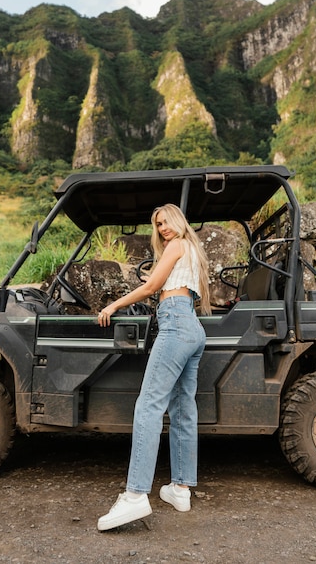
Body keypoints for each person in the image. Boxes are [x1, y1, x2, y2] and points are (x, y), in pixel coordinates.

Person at [96, 203, 211, 531]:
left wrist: (114, 304)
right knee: (183, 410)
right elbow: (166, 283)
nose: (162, 228)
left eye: (165, 221)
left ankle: (135, 496)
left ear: (177, 220)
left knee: (148, 406)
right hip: (192, 326)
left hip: (174, 324)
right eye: (158, 224)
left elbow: (150, 289)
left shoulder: (176, 244)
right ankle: (181, 488)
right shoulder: (191, 250)